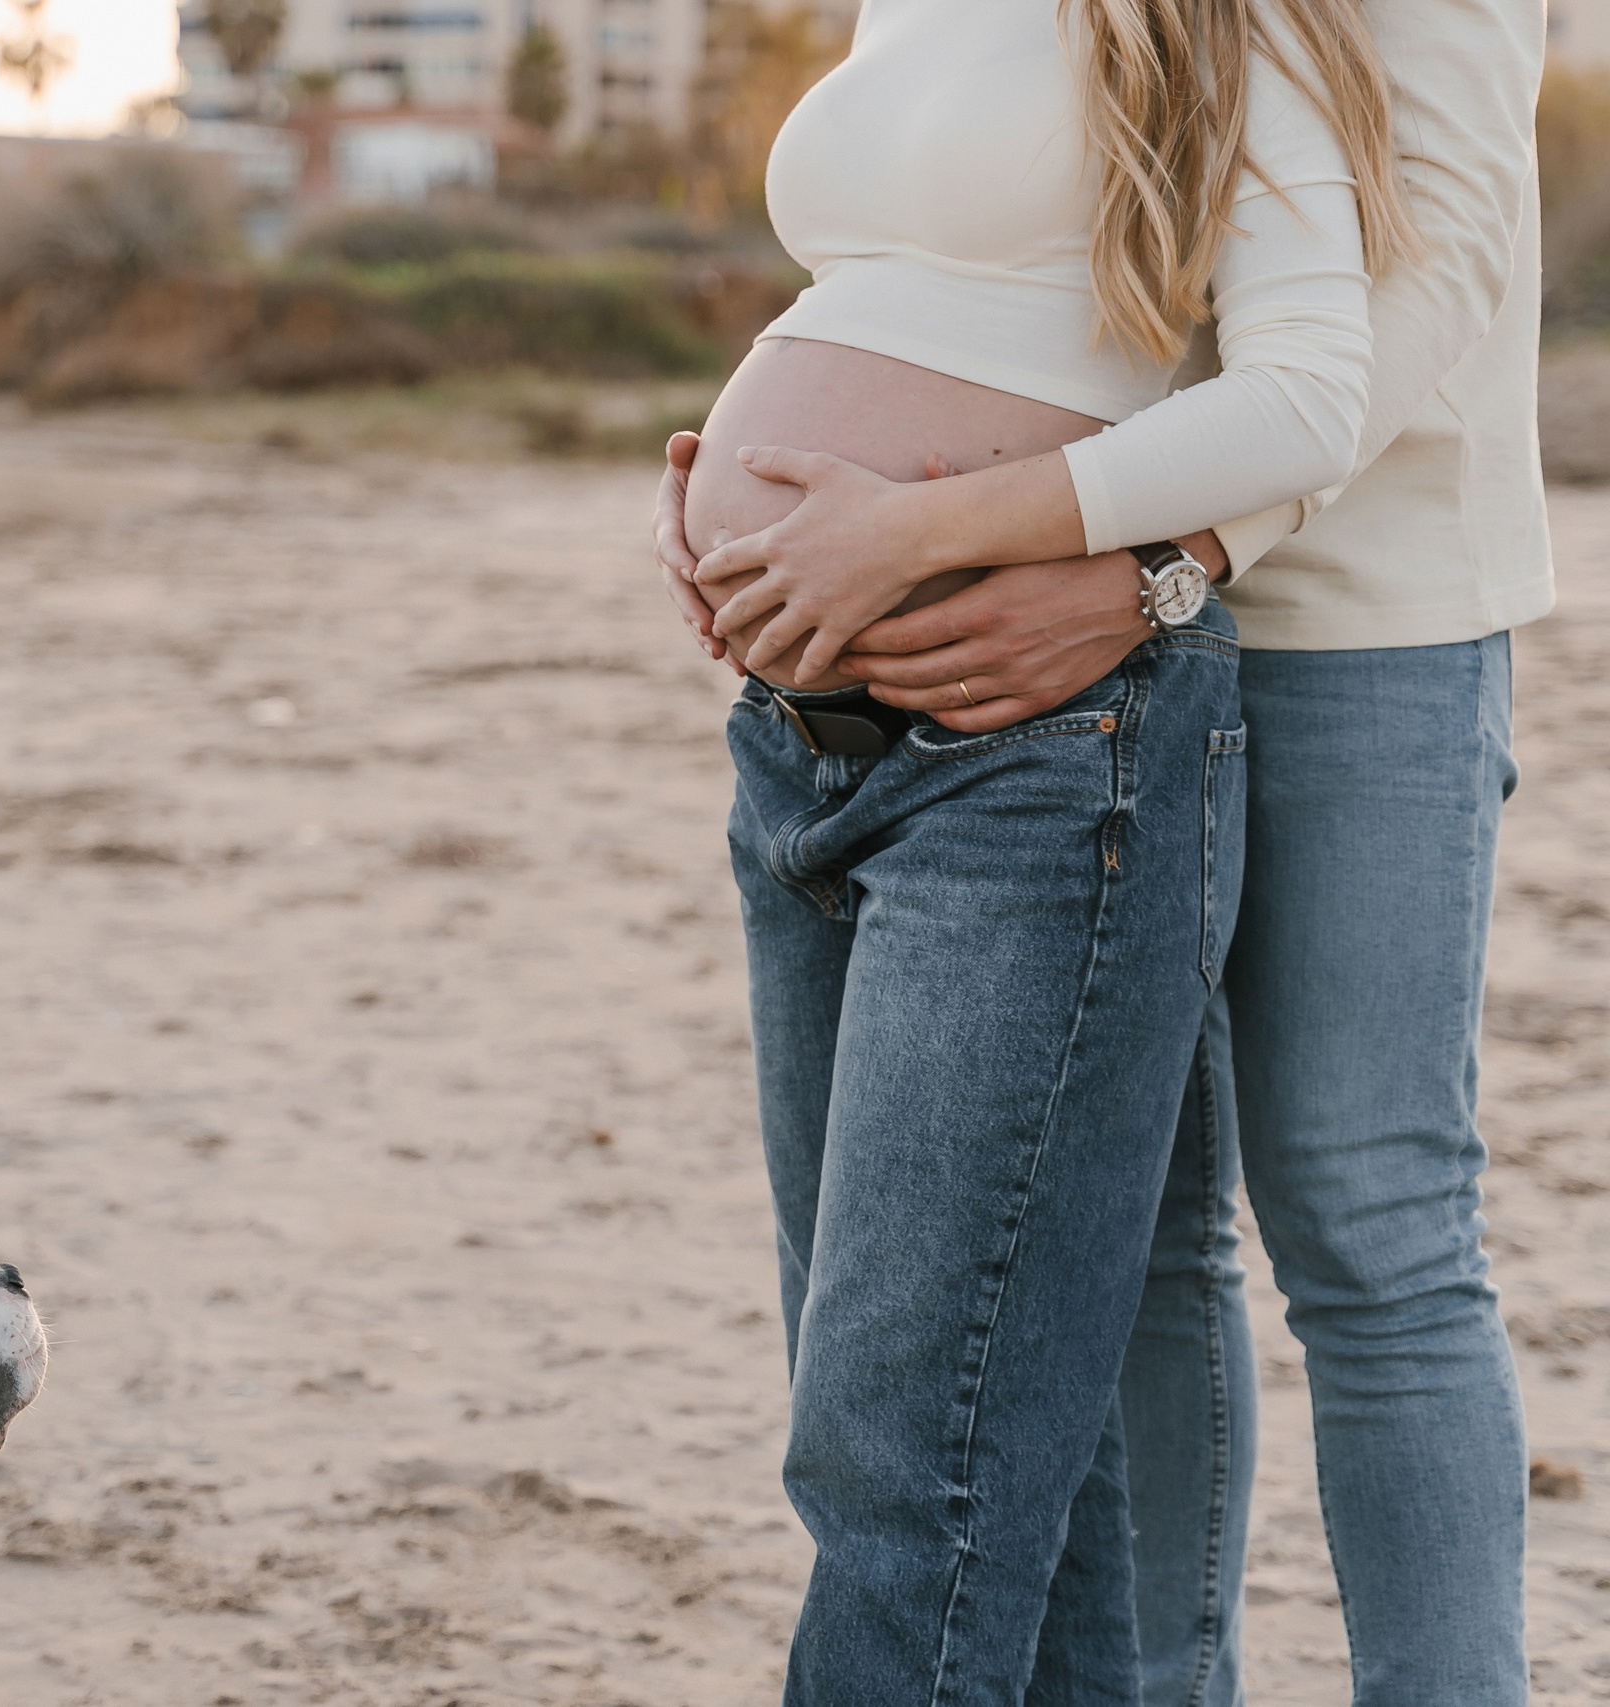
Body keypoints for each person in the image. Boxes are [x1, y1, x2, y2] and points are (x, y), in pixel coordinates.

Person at [657, 0, 1549, 1698]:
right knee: (1116, 1243)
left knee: (1371, 1222)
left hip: (1355, 620)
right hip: (1073, 617)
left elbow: (1431, 271)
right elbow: (933, 246)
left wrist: (1173, 549)